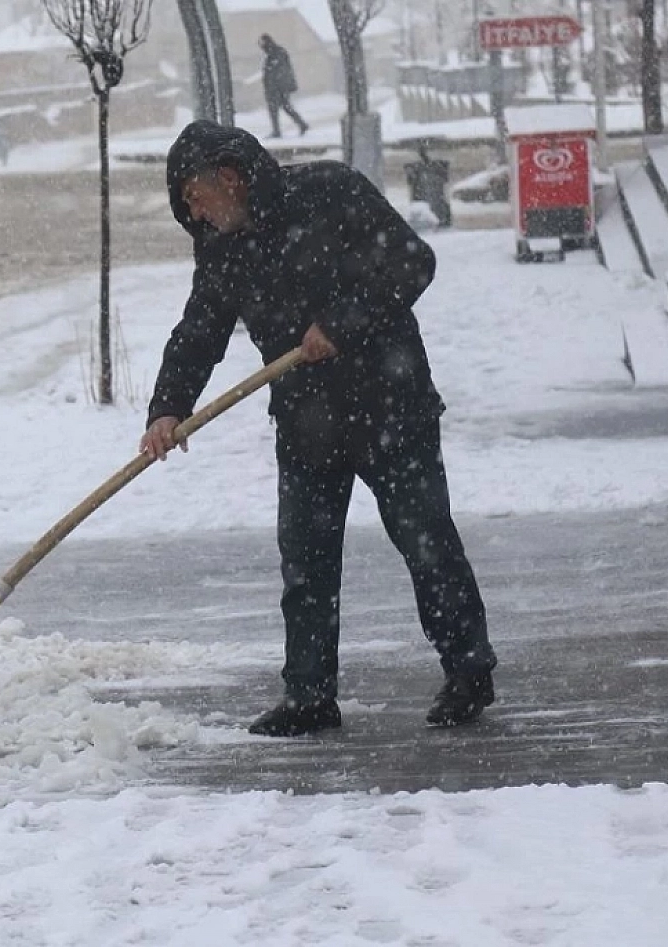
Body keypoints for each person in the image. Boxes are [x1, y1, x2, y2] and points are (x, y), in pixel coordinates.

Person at [139, 121, 497, 737]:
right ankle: (309, 696)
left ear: (229, 178)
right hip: (307, 425)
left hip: (391, 408)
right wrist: (167, 407)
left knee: (426, 544)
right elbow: (200, 328)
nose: (193, 213)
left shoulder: (331, 191)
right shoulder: (221, 245)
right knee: (305, 562)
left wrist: (343, 321)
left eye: (195, 196)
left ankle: (469, 672)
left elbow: (413, 260)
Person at [259, 34, 308, 139]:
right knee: (282, 108)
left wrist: (276, 86)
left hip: (279, 88)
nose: (261, 47)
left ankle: (281, 130)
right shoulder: (272, 54)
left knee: (282, 108)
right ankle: (300, 125)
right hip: (275, 88)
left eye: (262, 43)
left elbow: (280, 71)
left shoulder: (278, 53)